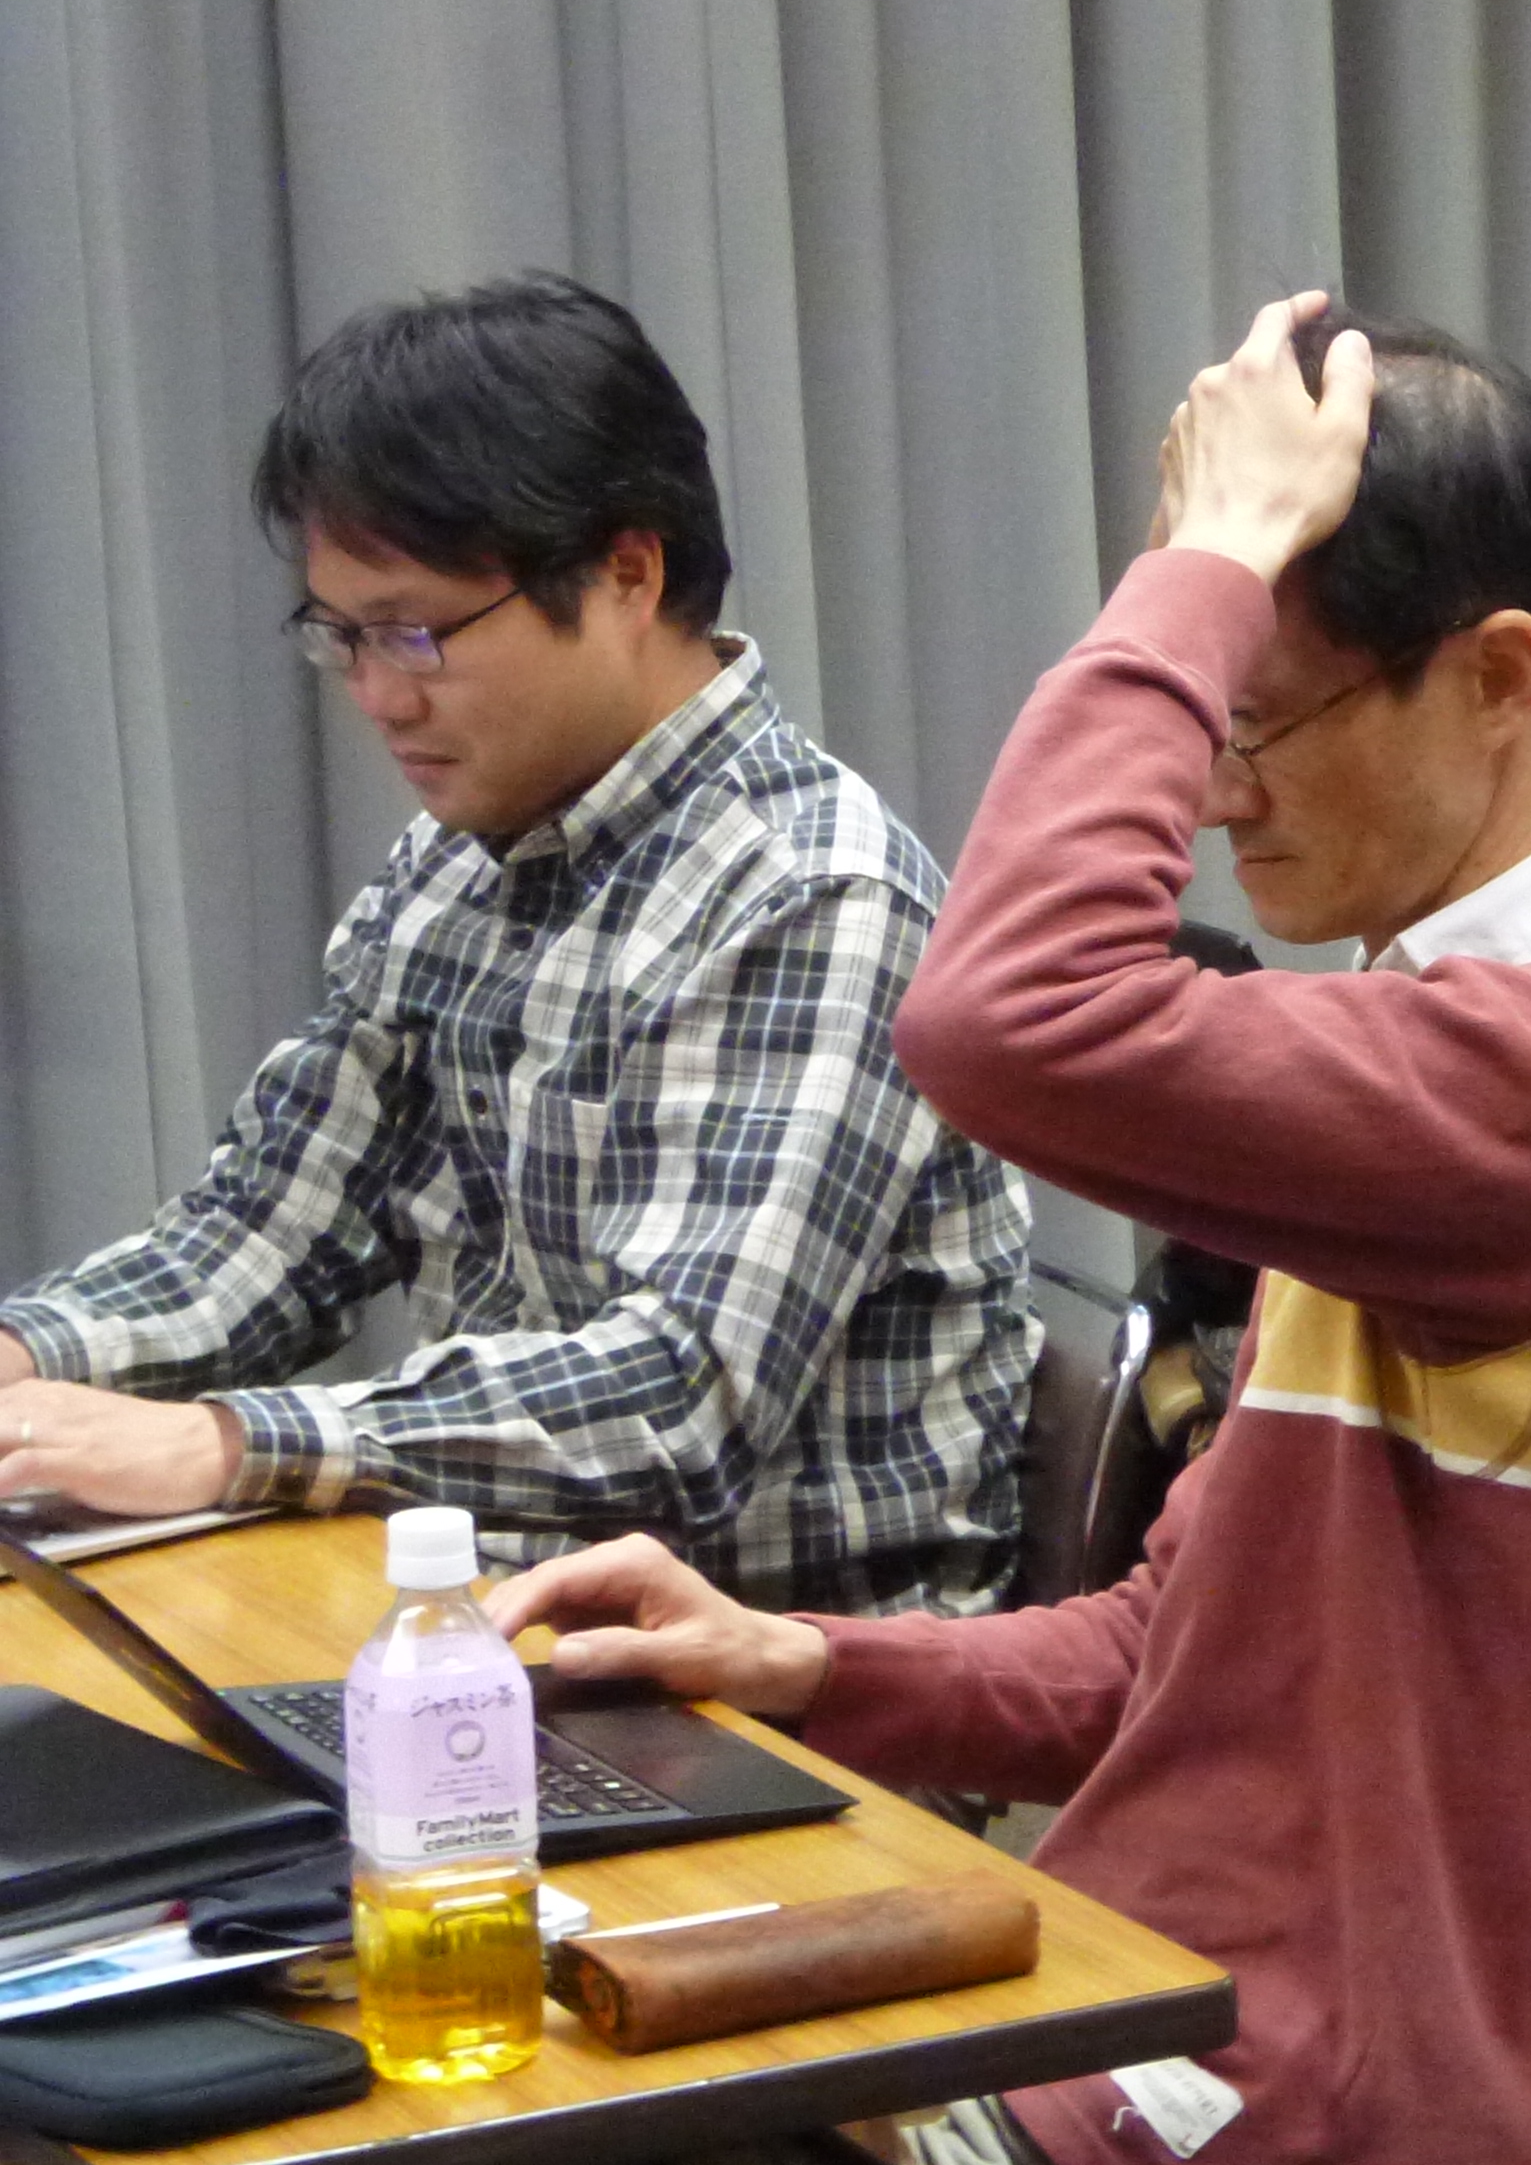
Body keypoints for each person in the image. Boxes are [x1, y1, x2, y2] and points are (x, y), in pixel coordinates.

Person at [491, 296, 1531, 2165]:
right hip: (1135, 2044)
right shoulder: (1434, 1039)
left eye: (1257, 725)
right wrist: (796, 1663)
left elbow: (1002, 1015)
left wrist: (1203, 564)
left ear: (1498, 678)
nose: (1211, 799)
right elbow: (1173, 1650)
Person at [0, 276, 1028, 1617]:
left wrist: (229, 1444)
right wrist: (28, 1358)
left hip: (779, 1687)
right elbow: (269, 1232)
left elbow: (678, 1399)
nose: (378, 695)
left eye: (415, 632)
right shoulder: (456, 866)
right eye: (342, 637)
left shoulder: (810, 896)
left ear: (625, 574)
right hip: (506, 1624)